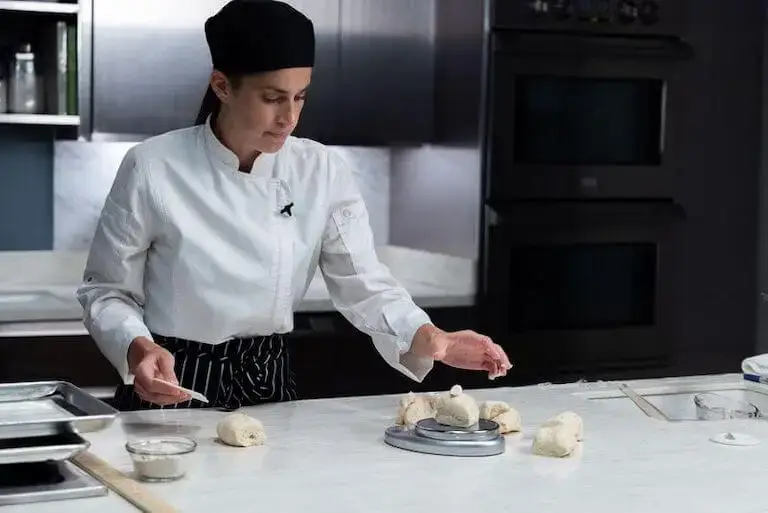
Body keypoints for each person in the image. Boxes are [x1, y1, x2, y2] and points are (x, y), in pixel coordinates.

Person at [77, 0, 512, 411]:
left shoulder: (321, 170)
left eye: (300, 96)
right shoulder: (152, 166)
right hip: (172, 380)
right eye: (273, 98)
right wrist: (138, 348)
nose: (290, 117)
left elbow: (363, 282)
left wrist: (431, 338)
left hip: (270, 382)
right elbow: (107, 291)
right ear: (222, 86)